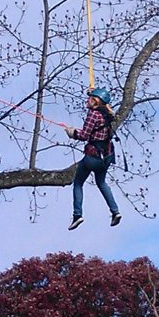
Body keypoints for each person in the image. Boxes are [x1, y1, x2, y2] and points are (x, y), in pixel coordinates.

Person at [65, 86, 121, 231]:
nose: (87, 100)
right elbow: (104, 105)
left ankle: (77, 215)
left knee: (78, 183)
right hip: (107, 156)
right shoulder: (108, 114)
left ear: (96, 102)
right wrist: (93, 91)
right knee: (101, 183)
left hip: (93, 158)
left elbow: (84, 136)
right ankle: (115, 211)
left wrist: (72, 133)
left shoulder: (93, 115)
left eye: (90, 98)